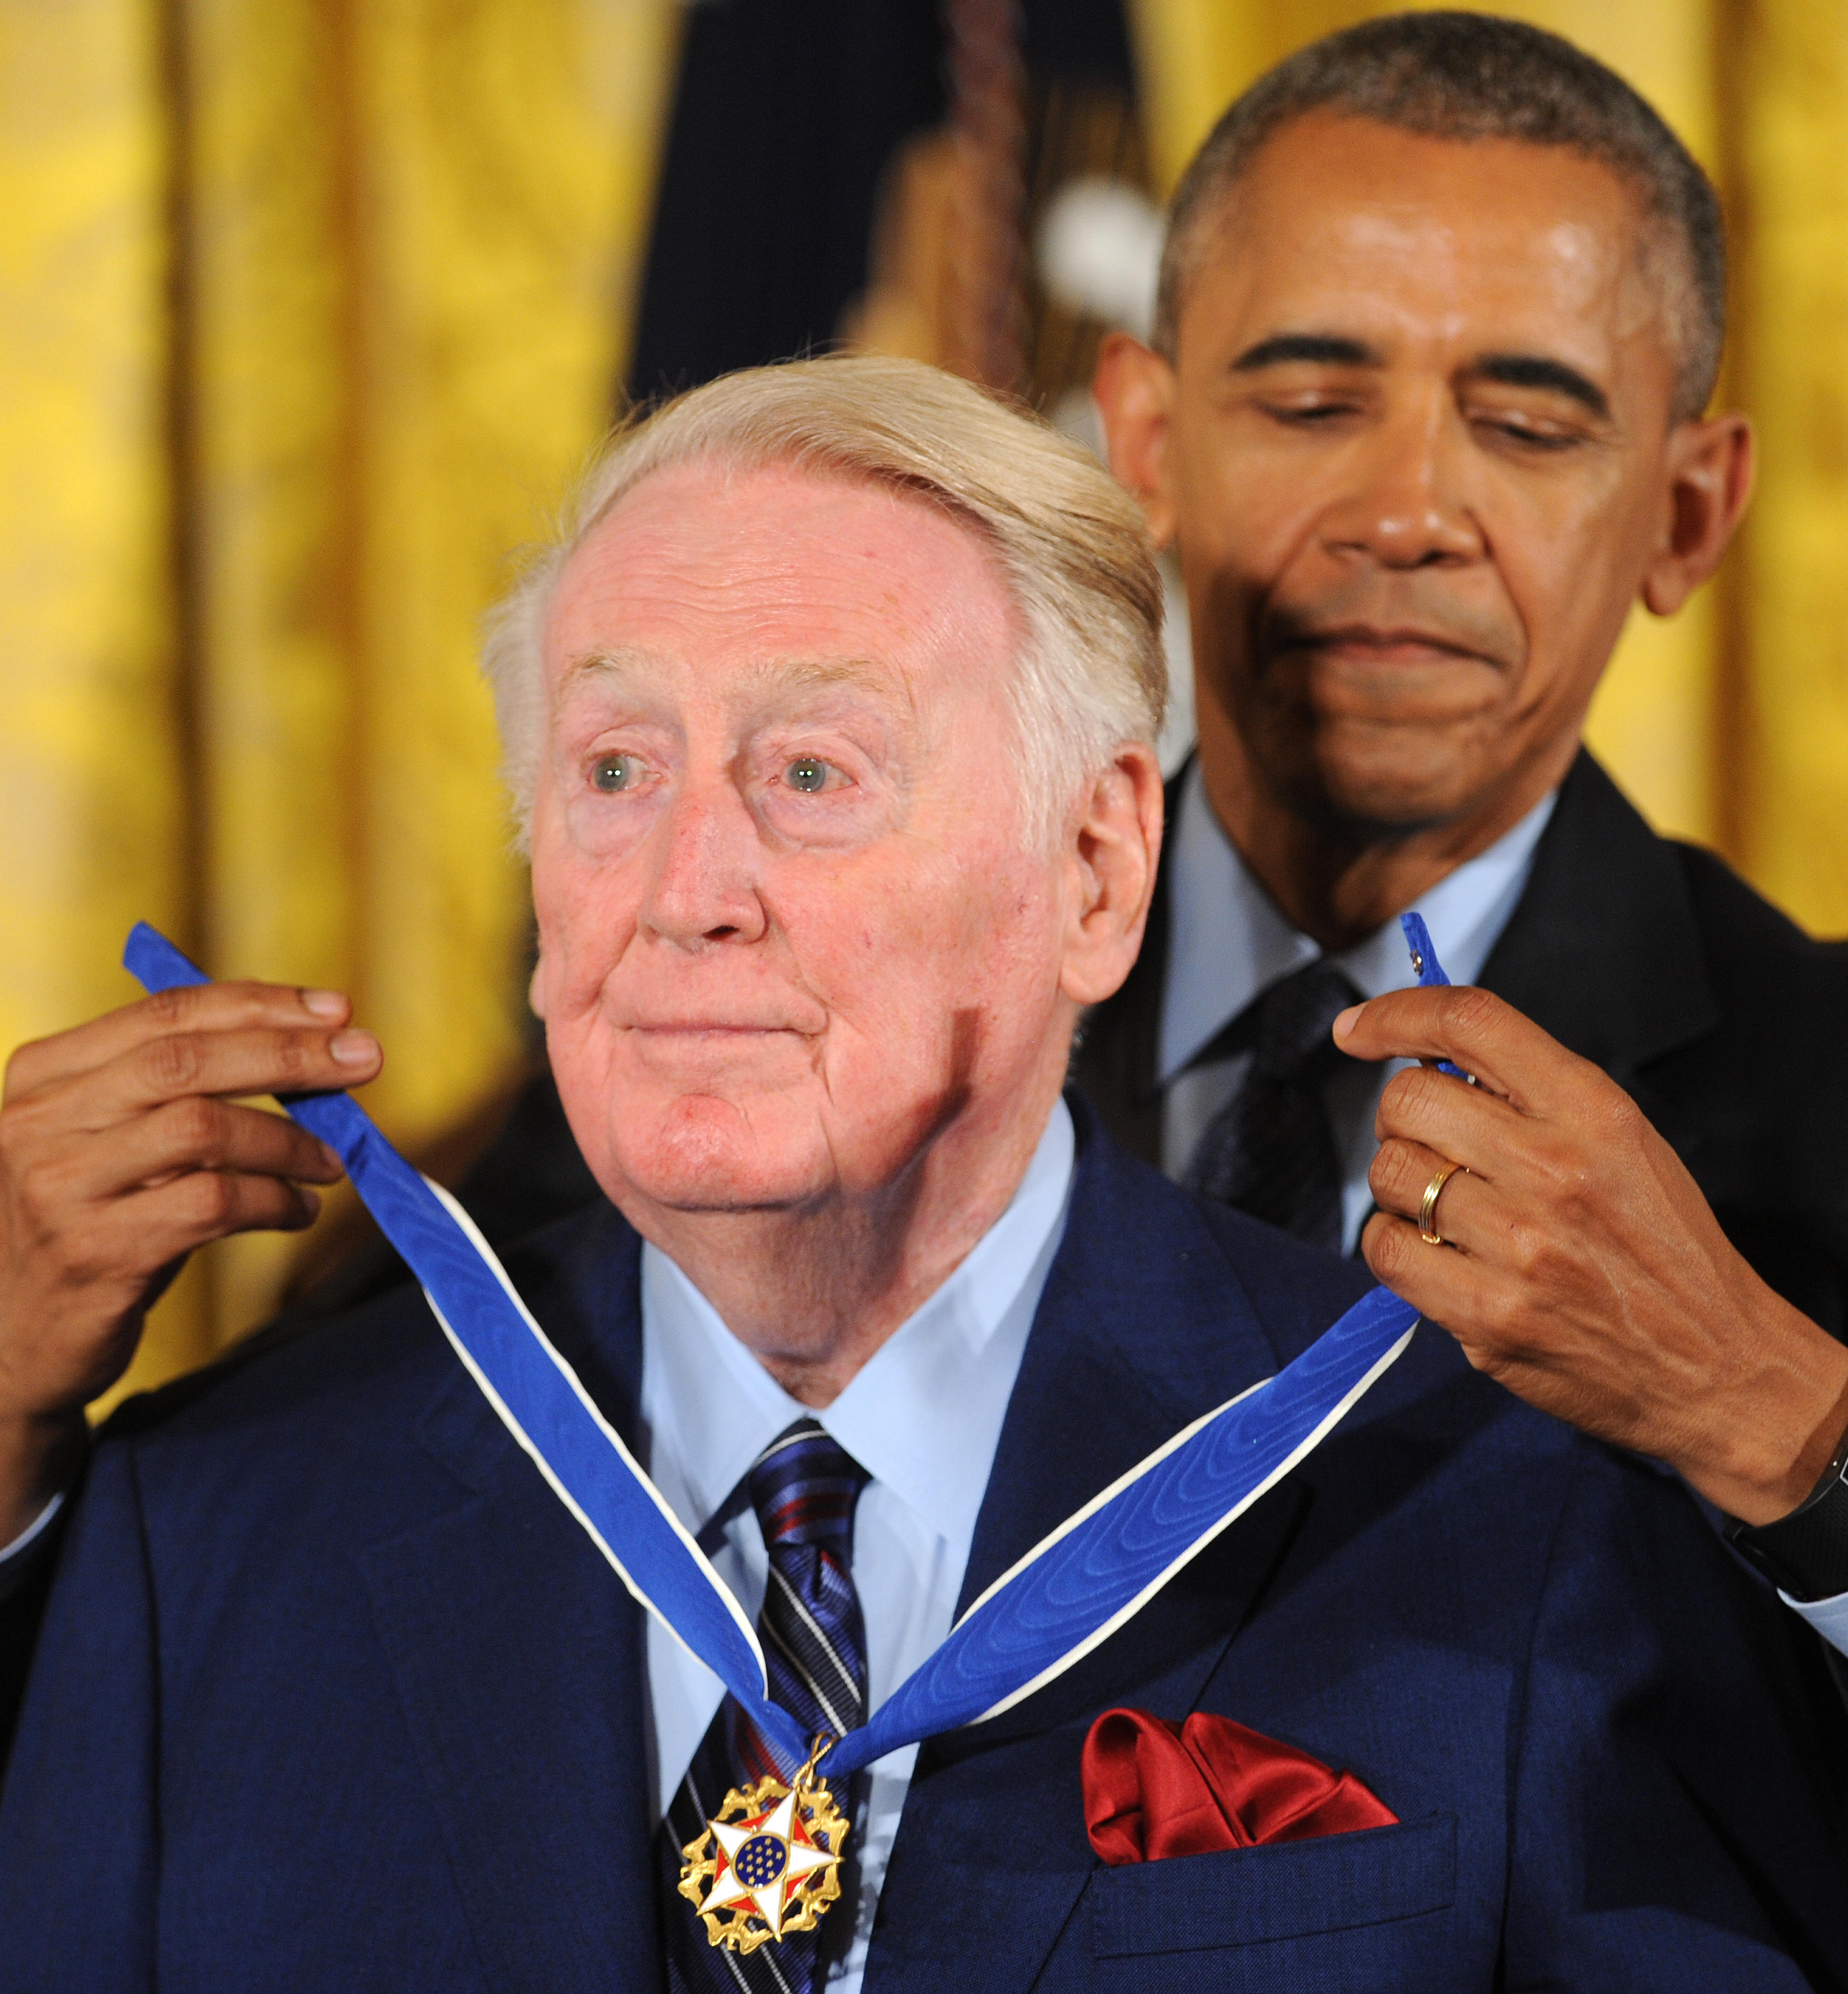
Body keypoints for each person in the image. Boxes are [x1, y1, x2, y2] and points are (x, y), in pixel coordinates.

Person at [2, 357, 1843, 1988]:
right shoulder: (205, 1534)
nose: (686, 891)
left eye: (813, 770)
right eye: (616, 766)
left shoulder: (1489, 1500)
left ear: (1097, 871)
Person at [1079, 13, 1848, 1641]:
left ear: (1686, 513)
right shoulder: (856, 1006)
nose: (1407, 514)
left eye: (1527, 427)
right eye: (1305, 400)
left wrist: (1770, 1414)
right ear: (1143, 444)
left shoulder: (1827, 1087)